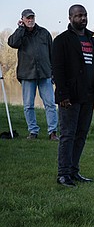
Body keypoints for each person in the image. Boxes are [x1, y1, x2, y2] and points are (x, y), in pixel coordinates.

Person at [52, 5, 94, 187]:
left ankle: (74, 171)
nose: (82, 18)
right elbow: (58, 70)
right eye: (78, 16)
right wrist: (62, 94)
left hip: (88, 95)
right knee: (67, 135)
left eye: (84, 15)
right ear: (70, 18)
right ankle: (63, 174)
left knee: (81, 134)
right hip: (70, 96)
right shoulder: (62, 41)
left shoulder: (91, 40)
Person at [7, 9, 59, 140]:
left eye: (32, 17)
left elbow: (52, 53)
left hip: (45, 74)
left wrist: (54, 72)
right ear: (23, 19)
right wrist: (20, 29)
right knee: (28, 105)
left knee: (50, 104)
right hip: (27, 75)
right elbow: (12, 43)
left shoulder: (44, 33)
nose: (30, 20)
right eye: (27, 18)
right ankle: (33, 131)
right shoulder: (20, 33)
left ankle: (53, 132)